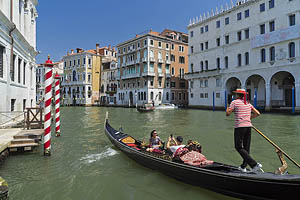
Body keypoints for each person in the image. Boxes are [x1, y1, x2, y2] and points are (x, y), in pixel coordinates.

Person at [226, 88, 263, 173]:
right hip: (248, 126)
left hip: (240, 126)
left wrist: (228, 106)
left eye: (236, 94)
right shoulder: (248, 103)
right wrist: (247, 118)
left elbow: (228, 114)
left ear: (238, 95)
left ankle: (254, 164)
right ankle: (243, 166)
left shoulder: (234, 102)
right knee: (246, 148)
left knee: (238, 146)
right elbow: (257, 113)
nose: (235, 95)